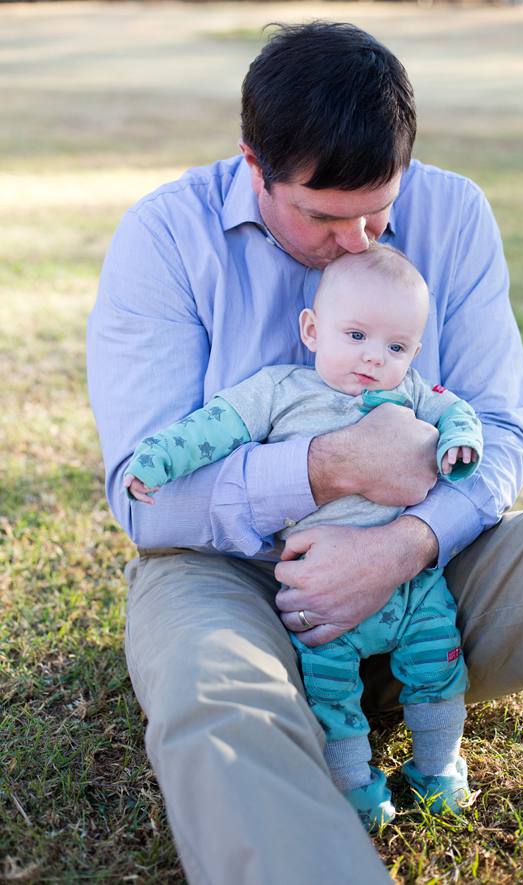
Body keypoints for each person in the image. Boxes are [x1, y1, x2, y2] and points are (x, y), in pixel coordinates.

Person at [87, 22, 523, 884]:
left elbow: (500, 429)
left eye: (379, 211)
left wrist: (400, 547)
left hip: (429, 569)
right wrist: (330, 465)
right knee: (218, 702)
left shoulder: (456, 211)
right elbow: (145, 499)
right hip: (233, 574)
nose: (360, 241)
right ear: (255, 164)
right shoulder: (166, 240)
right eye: (325, 216)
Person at [122, 245, 482, 827]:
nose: (373, 358)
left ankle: (437, 769)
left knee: (439, 668)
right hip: (316, 590)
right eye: (356, 335)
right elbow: (210, 427)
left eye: (395, 347)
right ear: (313, 331)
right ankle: (356, 788)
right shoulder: (278, 390)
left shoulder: (414, 391)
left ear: (414, 353)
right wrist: (159, 459)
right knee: (330, 694)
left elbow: (459, 415)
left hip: (413, 586)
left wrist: (459, 445)